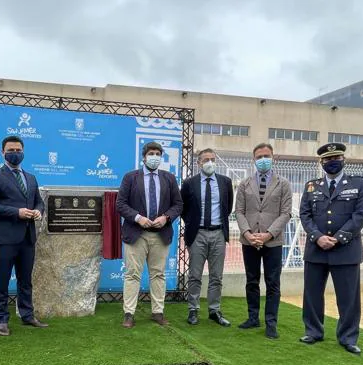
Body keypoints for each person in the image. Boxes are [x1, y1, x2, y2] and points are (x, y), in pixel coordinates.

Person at [299, 142, 363, 355]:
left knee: (348, 297)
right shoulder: (312, 186)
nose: (332, 162)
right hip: (316, 248)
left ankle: (348, 337)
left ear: (343, 159)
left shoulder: (359, 184)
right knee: (312, 294)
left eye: (336, 158)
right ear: (321, 162)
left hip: (346, 250)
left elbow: (360, 215)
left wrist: (338, 238)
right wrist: (317, 237)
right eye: (328, 159)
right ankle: (313, 331)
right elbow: (305, 215)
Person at [0, 135, 47, 336]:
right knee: (2, 280)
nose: (15, 153)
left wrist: (38, 211)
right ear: (3, 152)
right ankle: (2, 319)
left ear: (23, 151)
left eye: (18, 150)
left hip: (28, 237)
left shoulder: (31, 178)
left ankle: (27, 315)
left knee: (25, 279)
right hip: (5, 238)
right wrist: (16, 212)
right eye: (11, 150)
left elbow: (39, 202)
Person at [116, 142, 183, 328]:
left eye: (158, 154)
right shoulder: (130, 178)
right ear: (144, 157)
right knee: (132, 275)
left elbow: (178, 205)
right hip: (136, 233)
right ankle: (129, 314)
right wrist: (138, 218)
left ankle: (157, 312)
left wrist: (166, 217)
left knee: (158, 274)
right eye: (151, 153)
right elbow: (120, 204)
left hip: (160, 235)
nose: (155, 157)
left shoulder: (169, 178)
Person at [235, 143, 292, 339]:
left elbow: (286, 213)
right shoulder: (244, 184)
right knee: (252, 281)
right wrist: (248, 233)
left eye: (266, 156)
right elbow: (239, 212)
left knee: (272, 282)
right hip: (249, 240)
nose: (263, 160)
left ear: (273, 157)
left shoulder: (283, 183)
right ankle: (253, 317)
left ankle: (271, 323)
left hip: (272, 242)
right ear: (254, 159)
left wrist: (268, 234)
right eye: (259, 156)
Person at [181, 148, 233, 327]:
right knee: (195, 275)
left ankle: (214, 310)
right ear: (199, 163)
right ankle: (193, 309)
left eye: (212, 159)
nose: (209, 162)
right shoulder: (189, 183)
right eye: (205, 160)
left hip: (219, 233)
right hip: (198, 234)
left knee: (216, 276)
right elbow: (184, 208)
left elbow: (228, 206)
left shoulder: (225, 182)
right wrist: (193, 224)